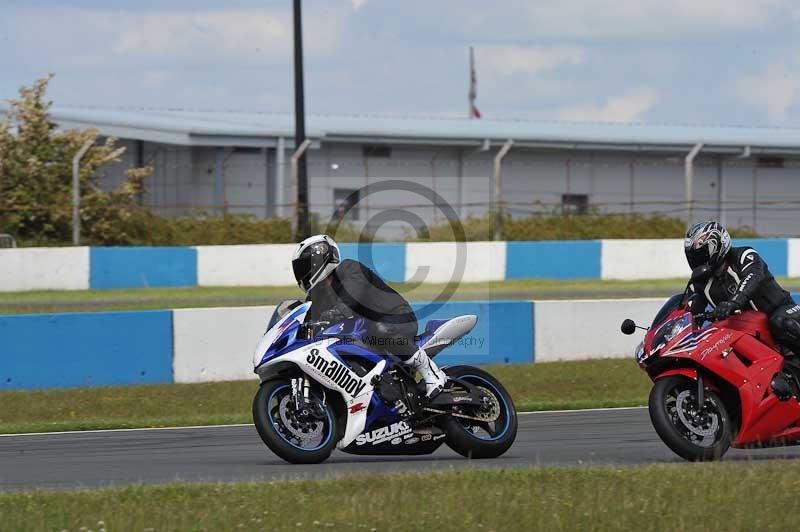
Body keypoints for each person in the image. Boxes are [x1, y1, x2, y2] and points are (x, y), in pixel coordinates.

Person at [290, 234, 447, 397]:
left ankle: (432, 373)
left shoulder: (349, 268)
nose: (303, 272)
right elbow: (308, 317)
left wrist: (336, 312)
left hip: (395, 319)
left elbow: (352, 295)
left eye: (306, 266)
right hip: (364, 335)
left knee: (380, 329)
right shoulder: (318, 295)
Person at [684, 220, 800, 355]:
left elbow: (753, 276)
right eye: (692, 257)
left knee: (780, 323)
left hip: (780, 310)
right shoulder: (698, 282)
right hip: (744, 326)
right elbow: (688, 309)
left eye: (701, 254)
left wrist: (733, 303)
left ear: (718, 246)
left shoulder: (743, 255)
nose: (696, 261)